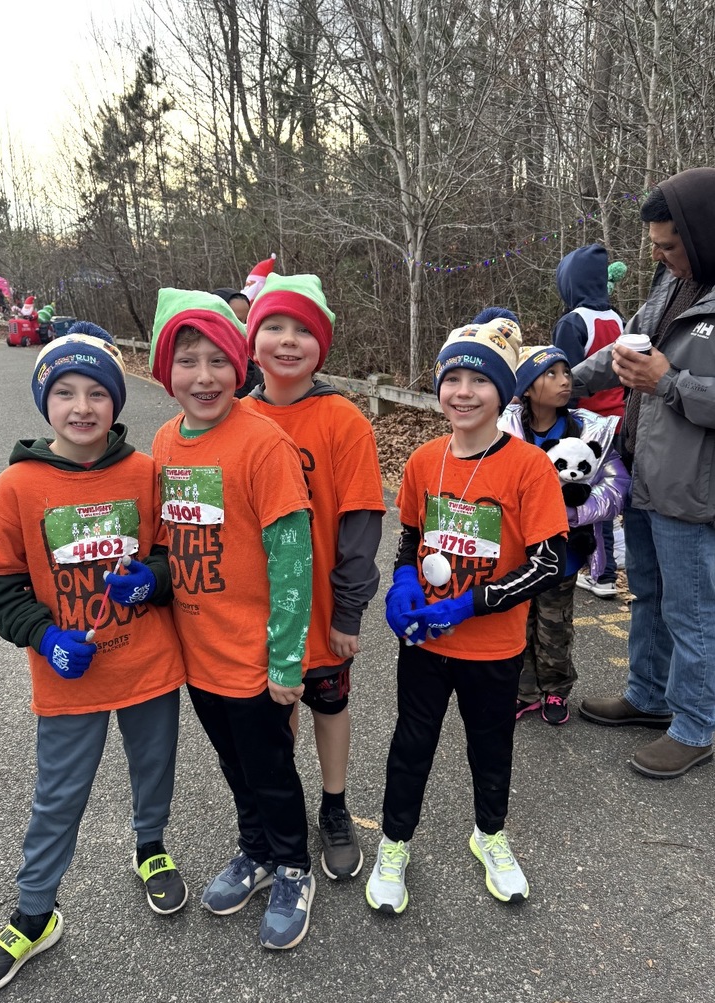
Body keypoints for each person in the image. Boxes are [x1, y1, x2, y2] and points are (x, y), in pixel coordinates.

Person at [0, 325, 187, 1000]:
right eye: (65, 392)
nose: (81, 406)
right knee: (58, 796)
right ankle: (35, 913)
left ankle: (150, 848)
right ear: (45, 402)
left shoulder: (146, 474)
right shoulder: (16, 487)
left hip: (147, 663)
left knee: (155, 767)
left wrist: (150, 578)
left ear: (116, 402)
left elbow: (181, 557)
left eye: (96, 392)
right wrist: (43, 635)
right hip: (68, 676)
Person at [366, 318, 569, 914]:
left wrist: (469, 604)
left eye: (479, 380)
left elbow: (548, 563)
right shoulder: (425, 460)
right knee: (411, 744)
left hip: (493, 645)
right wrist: (403, 583)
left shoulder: (528, 467)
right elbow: (409, 536)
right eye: (451, 377)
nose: (462, 391)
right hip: (425, 640)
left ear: (504, 392)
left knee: (491, 744)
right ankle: (395, 843)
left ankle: (490, 835)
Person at [149, 289, 316, 950]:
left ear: (239, 364)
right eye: (188, 361)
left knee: (271, 769)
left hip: (253, 655)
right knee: (233, 764)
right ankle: (255, 851)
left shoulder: (261, 443)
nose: (204, 376)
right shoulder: (164, 441)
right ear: (167, 373)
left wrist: (285, 659)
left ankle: (293, 866)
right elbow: (167, 542)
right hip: (198, 651)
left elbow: (292, 557)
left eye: (218, 360)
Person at [572, 167, 715, 779]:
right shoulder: (669, 285)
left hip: (692, 487)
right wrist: (552, 382)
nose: (659, 255)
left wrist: (671, 384)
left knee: (693, 609)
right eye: (655, 245)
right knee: (649, 595)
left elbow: (666, 376)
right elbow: (626, 350)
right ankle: (648, 695)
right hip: (644, 473)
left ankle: (696, 724)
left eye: (669, 245)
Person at [243, 273, 386, 880]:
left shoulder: (342, 419)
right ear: (252, 339)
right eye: (274, 326)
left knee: (328, 702)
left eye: (303, 330)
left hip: (324, 605)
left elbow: (360, 519)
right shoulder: (235, 416)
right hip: (255, 607)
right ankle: (284, 807)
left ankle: (334, 805)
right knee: (278, 706)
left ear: (321, 346)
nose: (287, 341)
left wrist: (349, 609)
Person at [500, 346, 629, 725]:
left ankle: (555, 690)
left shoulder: (589, 429)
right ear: (525, 387)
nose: (564, 381)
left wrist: (574, 510)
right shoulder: (505, 429)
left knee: (554, 623)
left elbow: (617, 484)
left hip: (563, 551)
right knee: (518, 620)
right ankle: (523, 691)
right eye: (551, 374)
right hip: (516, 550)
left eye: (566, 373)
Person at [552, 243, 626, 600]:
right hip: (620, 419)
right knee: (608, 495)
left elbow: (564, 378)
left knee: (584, 493)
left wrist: (562, 421)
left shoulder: (573, 322)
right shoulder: (617, 318)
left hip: (587, 422)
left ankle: (601, 571)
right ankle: (602, 568)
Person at [211, 287, 263, 397]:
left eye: (245, 321)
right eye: (235, 320)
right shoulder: (197, 364)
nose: (243, 327)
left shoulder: (251, 367)